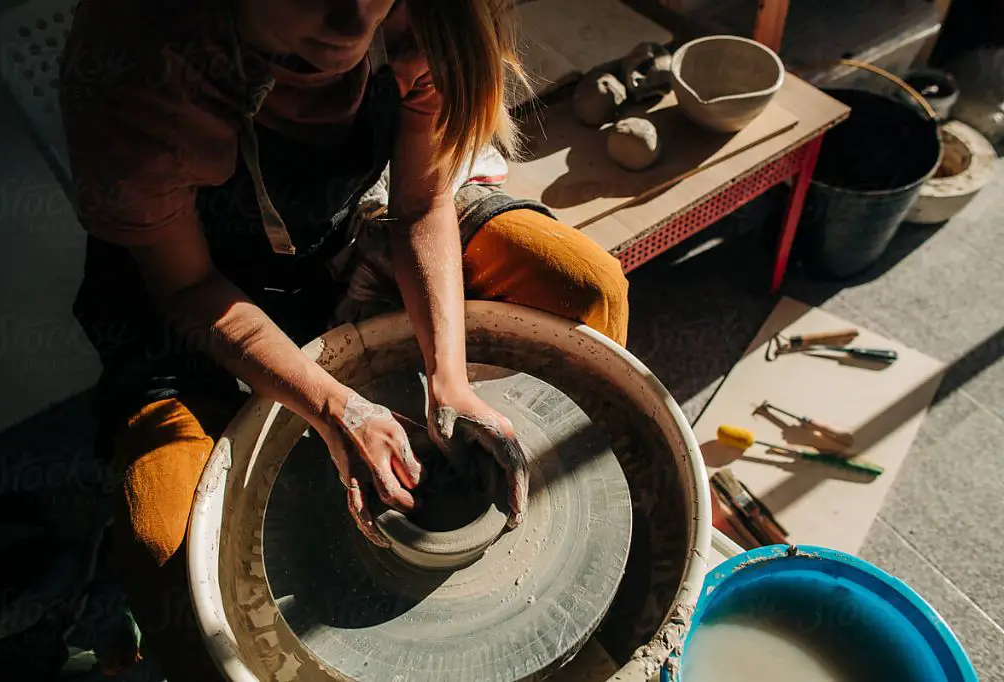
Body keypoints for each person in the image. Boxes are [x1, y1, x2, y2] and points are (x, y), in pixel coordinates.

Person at [60, 0, 630, 678]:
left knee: (584, 287)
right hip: (196, 297)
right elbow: (188, 290)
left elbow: (420, 205)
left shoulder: (415, 23)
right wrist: (335, 409)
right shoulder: (141, 74)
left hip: (355, 226)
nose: (350, 25)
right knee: (167, 548)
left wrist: (448, 377)